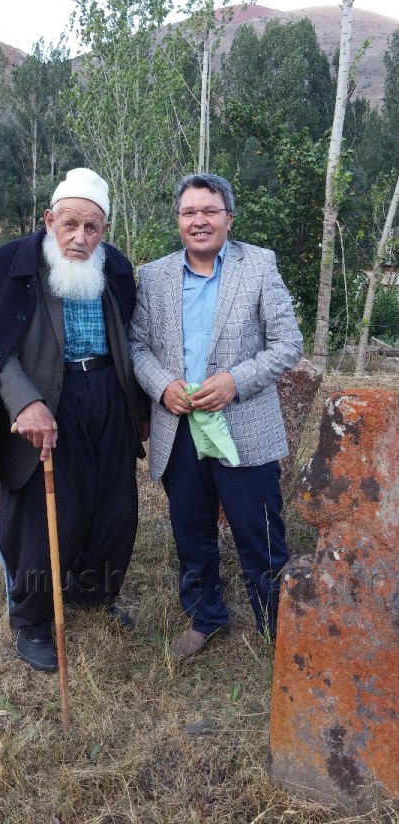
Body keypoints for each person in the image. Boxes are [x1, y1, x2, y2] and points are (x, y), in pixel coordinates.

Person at [0, 168, 147, 672]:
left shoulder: (116, 268)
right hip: (45, 395)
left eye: (92, 227)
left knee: (113, 507)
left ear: (104, 230)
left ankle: (91, 593)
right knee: (43, 516)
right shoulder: (11, 265)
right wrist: (25, 403)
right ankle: (33, 621)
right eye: (70, 224)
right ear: (49, 220)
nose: (80, 237)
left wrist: (138, 408)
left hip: (107, 393)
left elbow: (132, 340)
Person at [129, 172, 303, 658]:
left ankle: (276, 624)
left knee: (259, 532)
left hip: (243, 426)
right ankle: (206, 616)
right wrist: (162, 386)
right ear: (178, 220)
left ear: (229, 218)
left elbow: (288, 344)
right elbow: (136, 345)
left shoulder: (259, 266)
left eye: (210, 210)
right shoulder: (154, 276)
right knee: (191, 530)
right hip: (179, 427)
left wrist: (235, 381)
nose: (199, 220)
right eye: (189, 212)